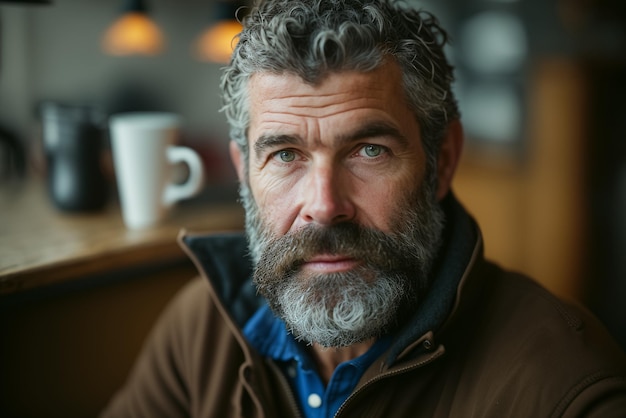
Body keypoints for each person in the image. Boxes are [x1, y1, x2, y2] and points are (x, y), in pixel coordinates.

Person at [101, 0, 626, 416]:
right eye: (286, 155)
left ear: (441, 162)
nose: (325, 206)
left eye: (369, 151)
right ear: (243, 171)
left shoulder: (563, 383)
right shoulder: (201, 331)